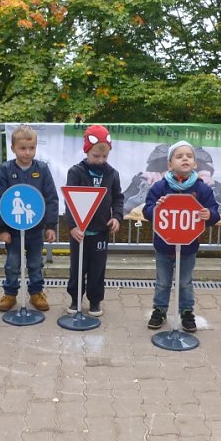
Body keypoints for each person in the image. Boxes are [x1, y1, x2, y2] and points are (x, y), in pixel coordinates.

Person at [143, 140, 220, 332]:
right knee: (162, 282)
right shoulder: (159, 187)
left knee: (185, 283)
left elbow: (214, 212)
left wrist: (209, 215)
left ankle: (186, 312)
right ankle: (160, 310)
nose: (185, 159)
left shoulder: (202, 189)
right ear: (169, 165)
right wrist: (157, 209)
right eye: (179, 156)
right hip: (163, 246)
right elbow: (147, 211)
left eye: (189, 156)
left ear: (195, 163)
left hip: (188, 248)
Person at [0, 124, 59, 312]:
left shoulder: (42, 169)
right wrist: (2, 229)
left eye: (32, 148)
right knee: (12, 263)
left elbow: (51, 198)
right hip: (13, 229)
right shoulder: (6, 169)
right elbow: (0, 200)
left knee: (35, 263)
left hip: (35, 229)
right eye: (22, 148)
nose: (27, 152)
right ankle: (10, 293)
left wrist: (50, 226)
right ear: (13, 148)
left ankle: (36, 292)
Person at [64, 125, 124, 317]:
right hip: (79, 233)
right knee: (77, 268)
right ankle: (75, 299)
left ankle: (95, 300)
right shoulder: (76, 172)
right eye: (96, 156)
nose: (100, 160)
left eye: (105, 156)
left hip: (100, 232)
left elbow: (118, 198)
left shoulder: (112, 174)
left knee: (97, 269)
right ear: (86, 151)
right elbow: (69, 201)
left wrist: (117, 217)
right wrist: (72, 226)